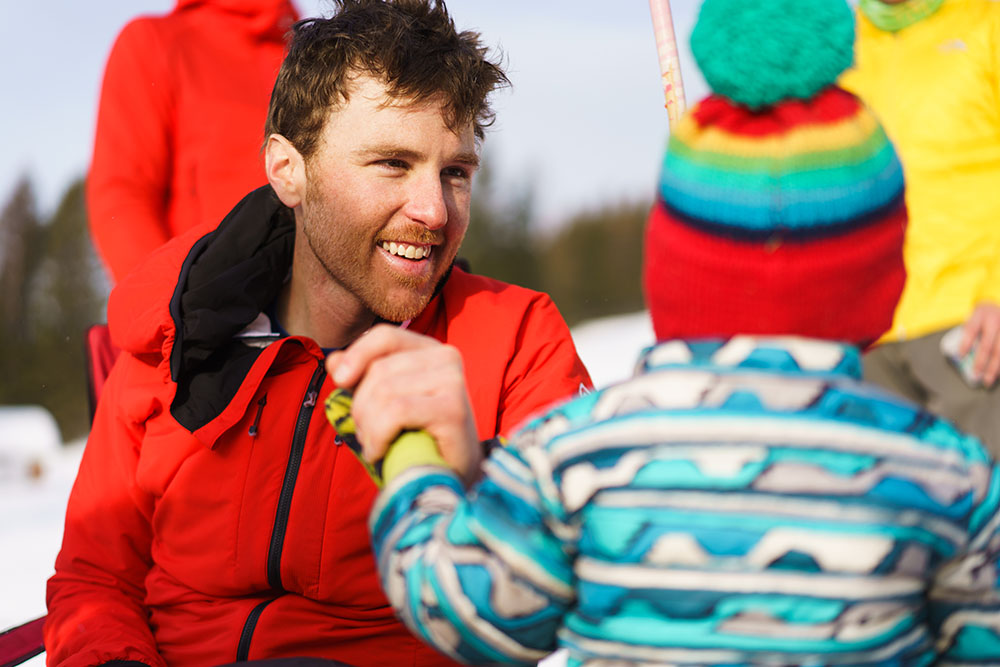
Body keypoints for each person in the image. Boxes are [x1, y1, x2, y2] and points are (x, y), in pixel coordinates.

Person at [337, 1, 1000, 664]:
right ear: (884, 284)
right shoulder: (948, 473)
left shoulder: (576, 454)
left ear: (674, 271)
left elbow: (460, 605)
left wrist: (413, 464)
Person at [44, 2, 592, 665]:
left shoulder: (515, 341)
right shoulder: (174, 347)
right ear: (287, 170)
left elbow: (571, 595)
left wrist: (472, 476)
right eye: (392, 162)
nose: (434, 211)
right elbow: (95, 579)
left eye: (456, 172)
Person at [839, 0, 1000, 453]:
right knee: (891, 515)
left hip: (971, 326)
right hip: (871, 337)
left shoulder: (986, 22)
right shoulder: (842, 48)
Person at [88, 0, 298, 284]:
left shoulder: (313, 62)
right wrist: (177, 310)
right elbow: (122, 196)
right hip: (205, 311)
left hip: (321, 318)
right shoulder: (155, 42)